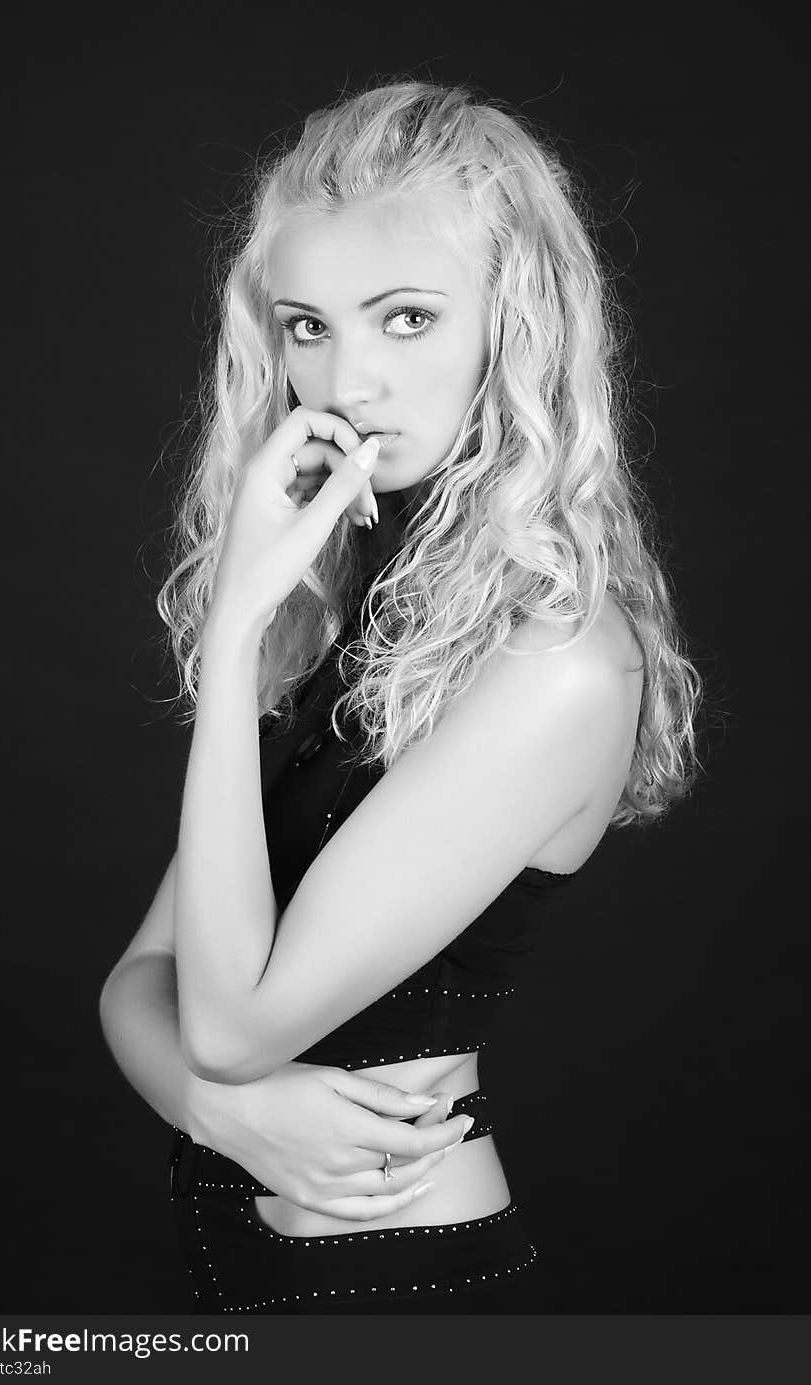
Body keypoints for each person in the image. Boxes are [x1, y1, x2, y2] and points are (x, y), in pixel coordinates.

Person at [99, 78, 702, 1314]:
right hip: (242, 1261)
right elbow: (138, 981)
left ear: (513, 324)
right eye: (307, 325)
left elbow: (228, 1023)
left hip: (396, 1281)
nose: (346, 379)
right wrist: (225, 1115)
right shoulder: (349, 608)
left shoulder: (562, 662)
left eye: (407, 317)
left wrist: (227, 650)